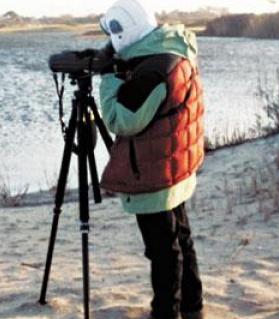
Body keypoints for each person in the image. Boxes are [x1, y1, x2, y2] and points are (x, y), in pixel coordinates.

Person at [98, 0, 206, 319]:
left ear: (125, 32)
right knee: (179, 240)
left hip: (156, 173)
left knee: (163, 251)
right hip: (175, 165)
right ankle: (192, 307)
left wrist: (108, 79)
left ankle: (166, 312)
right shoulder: (171, 49)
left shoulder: (153, 72)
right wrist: (118, 62)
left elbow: (121, 120)